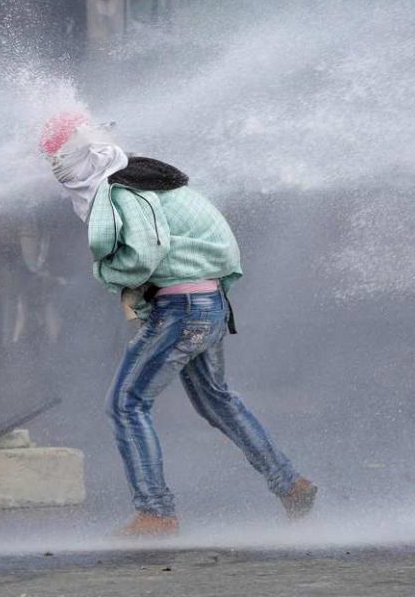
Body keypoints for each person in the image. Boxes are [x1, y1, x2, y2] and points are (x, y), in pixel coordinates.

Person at [40, 112, 317, 536]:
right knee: (217, 400)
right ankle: (289, 484)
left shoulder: (123, 188)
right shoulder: (151, 180)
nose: (59, 170)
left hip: (182, 309)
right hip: (206, 303)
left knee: (126, 404)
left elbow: (145, 252)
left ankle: (156, 512)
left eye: (59, 159)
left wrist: (108, 275)